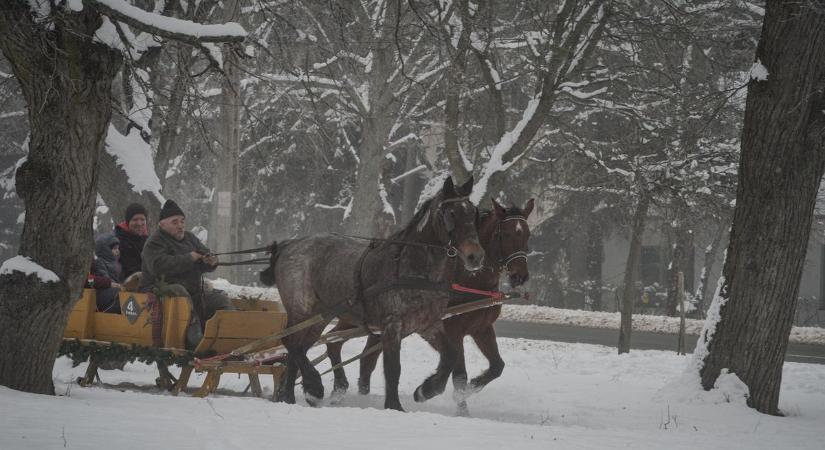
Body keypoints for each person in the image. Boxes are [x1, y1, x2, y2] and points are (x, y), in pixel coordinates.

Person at [139, 199, 234, 349]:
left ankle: (229, 337)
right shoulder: (154, 242)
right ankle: (194, 338)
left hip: (194, 292)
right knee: (179, 290)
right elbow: (158, 266)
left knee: (220, 300)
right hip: (161, 291)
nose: (180, 225)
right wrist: (189, 258)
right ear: (162, 224)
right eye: (175, 222)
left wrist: (210, 261)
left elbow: (204, 255)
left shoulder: (190, 238)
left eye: (182, 221)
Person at [88, 233, 123, 313]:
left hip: (111, 288)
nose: (117, 250)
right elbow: (95, 279)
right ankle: (106, 315)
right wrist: (112, 283)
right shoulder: (99, 262)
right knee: (120, 296)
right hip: (102, 290)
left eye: (118, 248)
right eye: (114, 248)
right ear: (106, 250)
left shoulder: (117, 264)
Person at [115, 203, 148, 279]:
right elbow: (129, 269)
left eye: (142, 219)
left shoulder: (147, 240)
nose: (139, 223)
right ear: (128, 222)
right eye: (135, 219)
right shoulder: (119, 240)